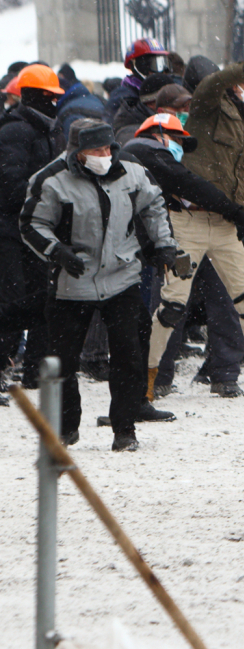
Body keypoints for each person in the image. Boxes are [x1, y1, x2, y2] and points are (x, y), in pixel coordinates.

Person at [21, 120, 190, 451]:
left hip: (122, 274)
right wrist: (58, 252)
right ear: (77, 153)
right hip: (71, 282)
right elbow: (32, 223)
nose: (105, 155)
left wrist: (164, 244)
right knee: (63, 360)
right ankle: (66, 427)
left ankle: (124, 428)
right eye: (96, 150)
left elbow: (154, 206)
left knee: (129, 351)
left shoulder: (131, 172)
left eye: (109, 148)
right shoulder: (51, 181)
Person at [145, 60, 244, 403]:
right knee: (173, 304)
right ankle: (148, 374)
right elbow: (208, 86)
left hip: (223, 226)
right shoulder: (206, 109)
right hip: (188, 222)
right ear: (233, 86)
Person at [0, 64, 64, 388]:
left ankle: (35, 370)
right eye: (49, 97)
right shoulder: (15, 130)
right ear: (34, 97)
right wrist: (48, 192)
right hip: (10, 231)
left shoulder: (51, 130)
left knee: (43, 299)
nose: (55, 103)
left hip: (38, 230)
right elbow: (10, 185)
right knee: (11, 300)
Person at [105, 38, 173, 123]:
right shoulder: (123, 96)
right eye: (155, 65)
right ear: (141, 66)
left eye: (163, 63)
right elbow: (113, 127)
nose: (162, 71)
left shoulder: (166, 91)